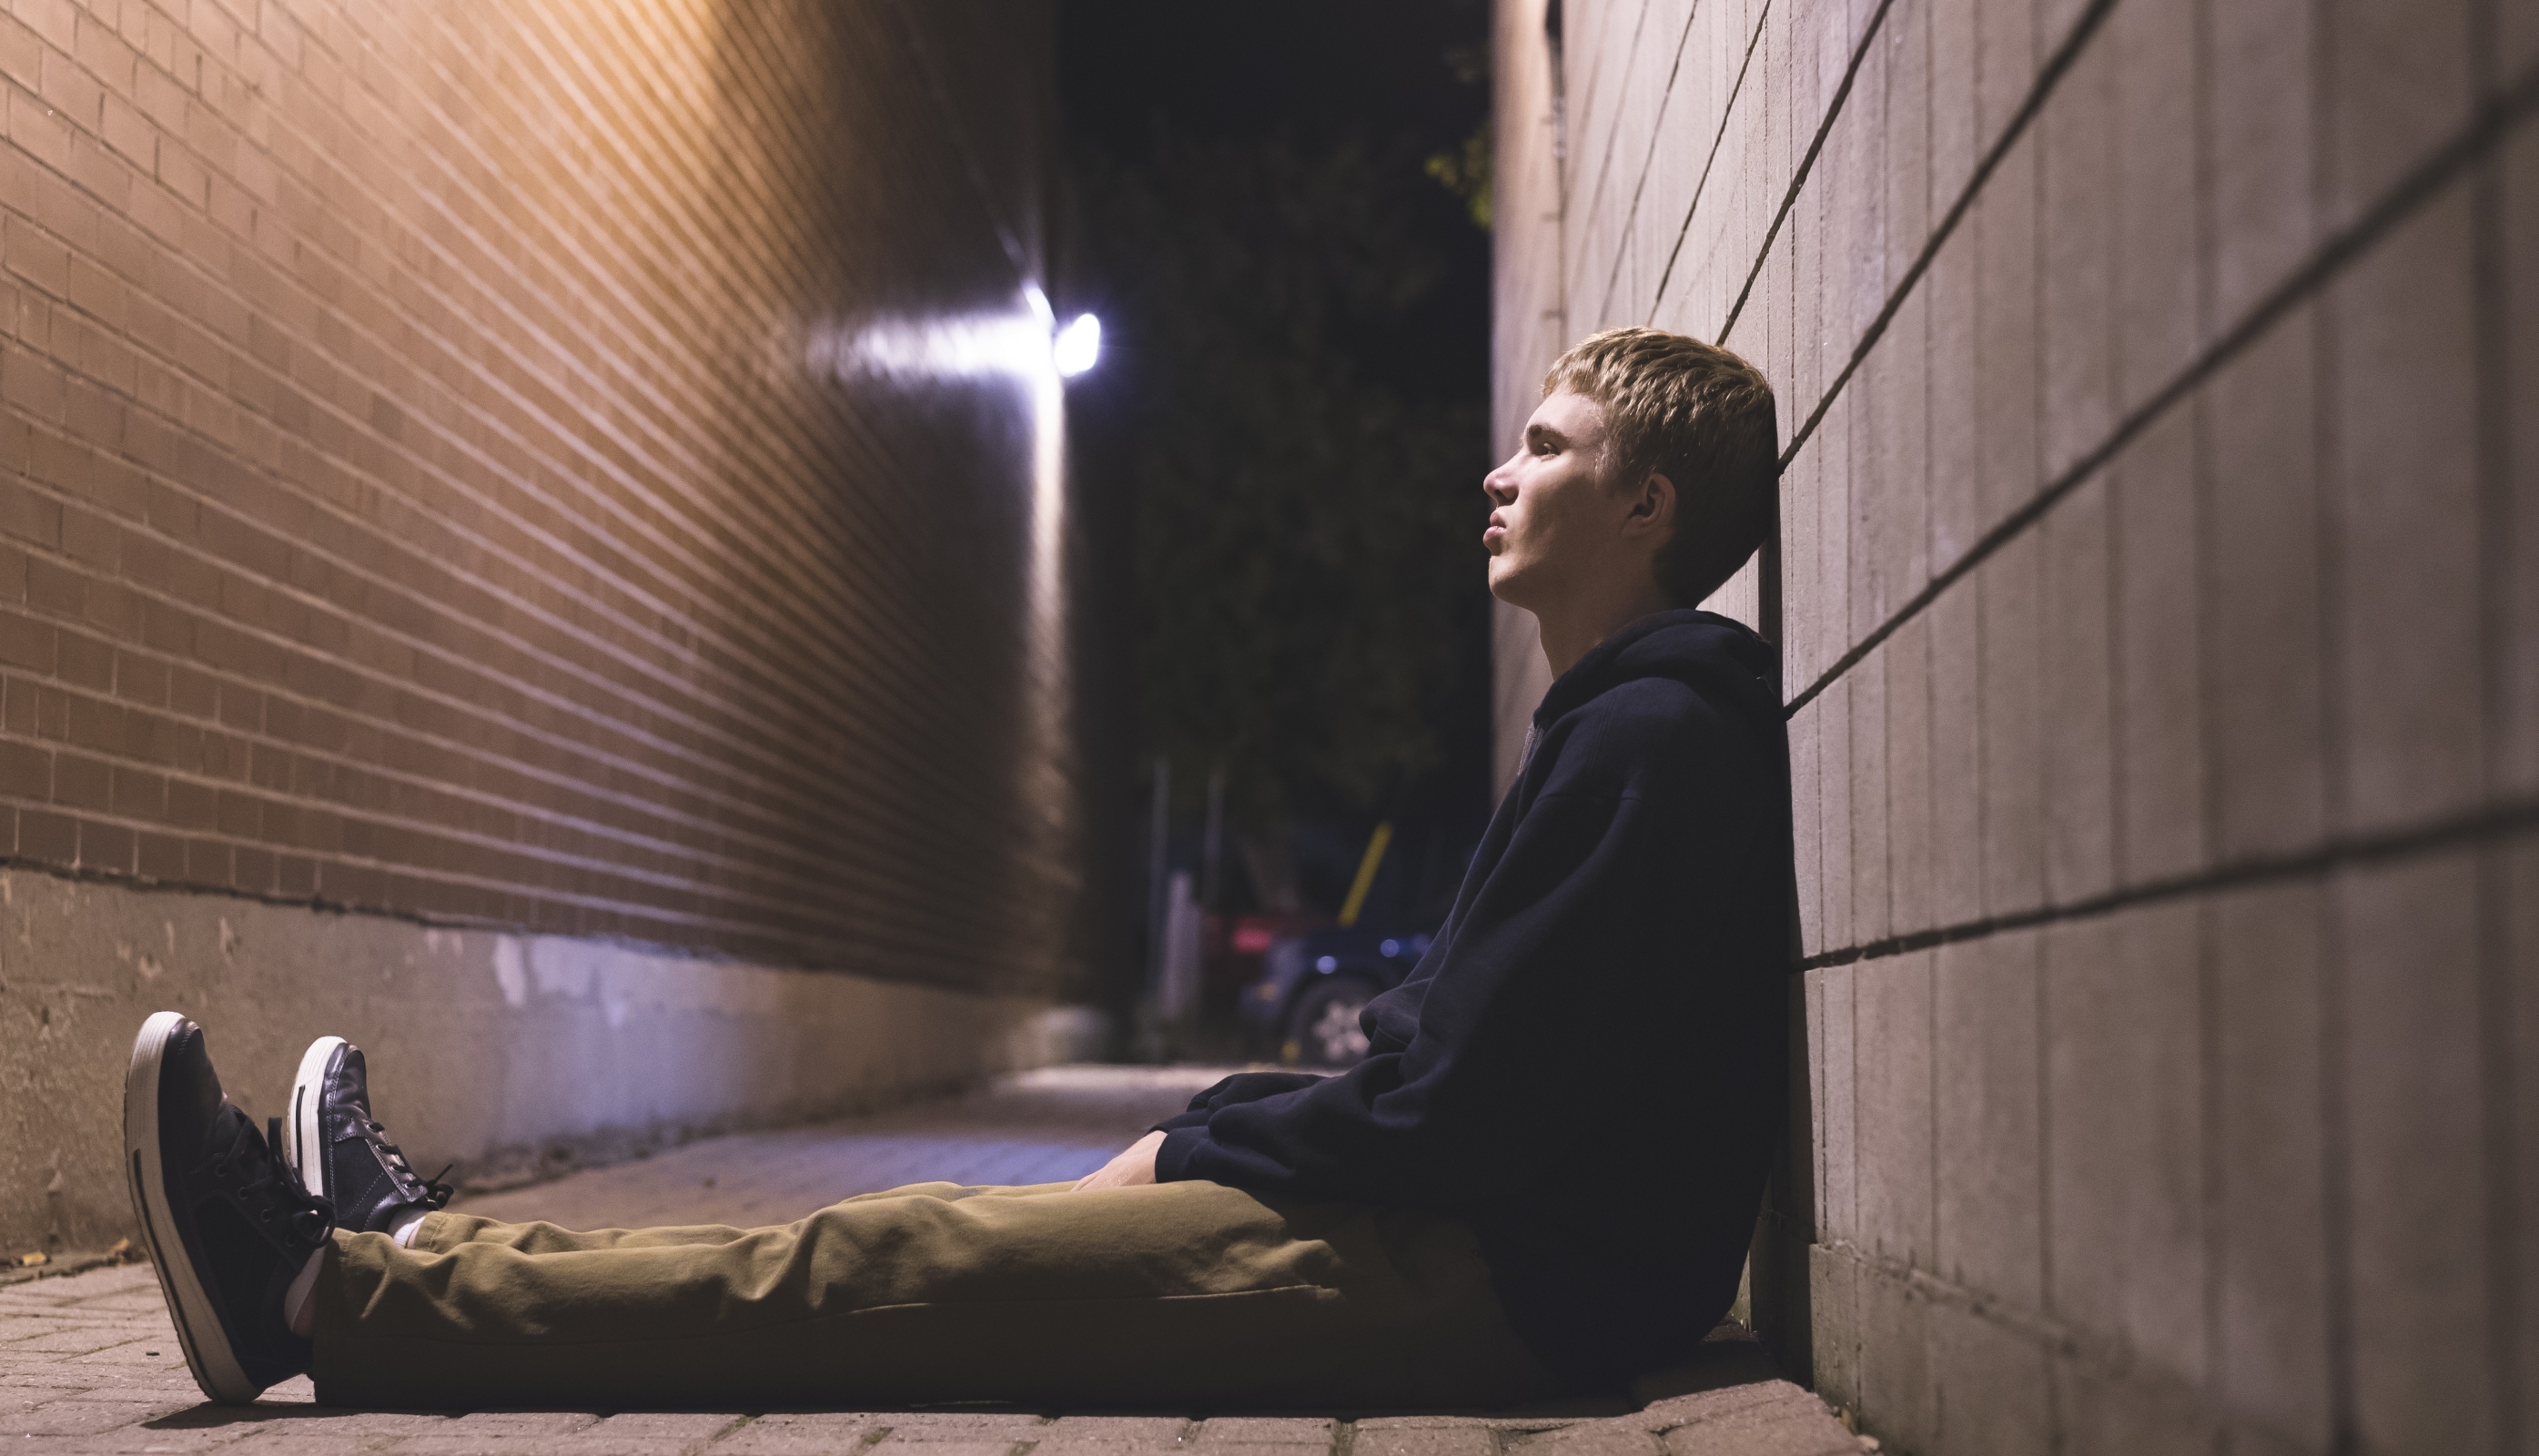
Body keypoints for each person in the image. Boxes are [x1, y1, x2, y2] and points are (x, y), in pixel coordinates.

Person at [120, 326, 1795, 1411]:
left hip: (1500, 1288)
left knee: (880, 1271)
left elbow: (1469, 1114)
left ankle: (307, 1301)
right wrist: (1217, 1128)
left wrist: (1199, 1141)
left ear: (1646, 505)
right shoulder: (1620, 730)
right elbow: (1453, 1068)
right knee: (881, 1249)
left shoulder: (1654, 745)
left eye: (1550, 450)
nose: (1499, 473)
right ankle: (411, 1264)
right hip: (1470, 1243)